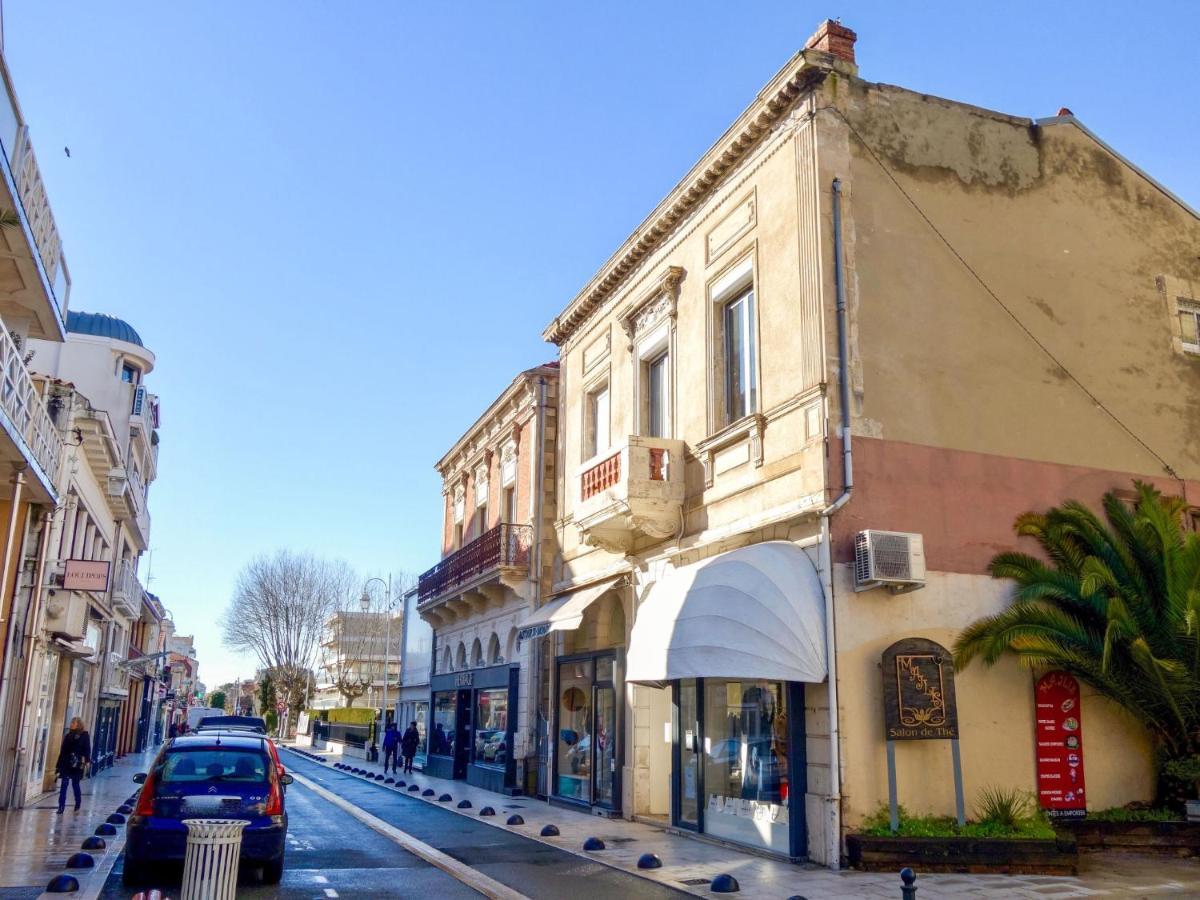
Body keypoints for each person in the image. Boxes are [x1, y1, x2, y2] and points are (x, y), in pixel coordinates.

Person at [55, 717, 91, 814]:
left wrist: (87, 762)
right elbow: (62, 752)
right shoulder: (68, 736)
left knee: (75, 784)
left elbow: (87, 750)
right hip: (66, 763)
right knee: (64, 784)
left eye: (73, 723)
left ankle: (78, 803)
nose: (71, 724)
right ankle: (61, 806)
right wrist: (58, 766)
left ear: (78, 724)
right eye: (71, 722)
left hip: (77, 764)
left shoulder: (84, 736)